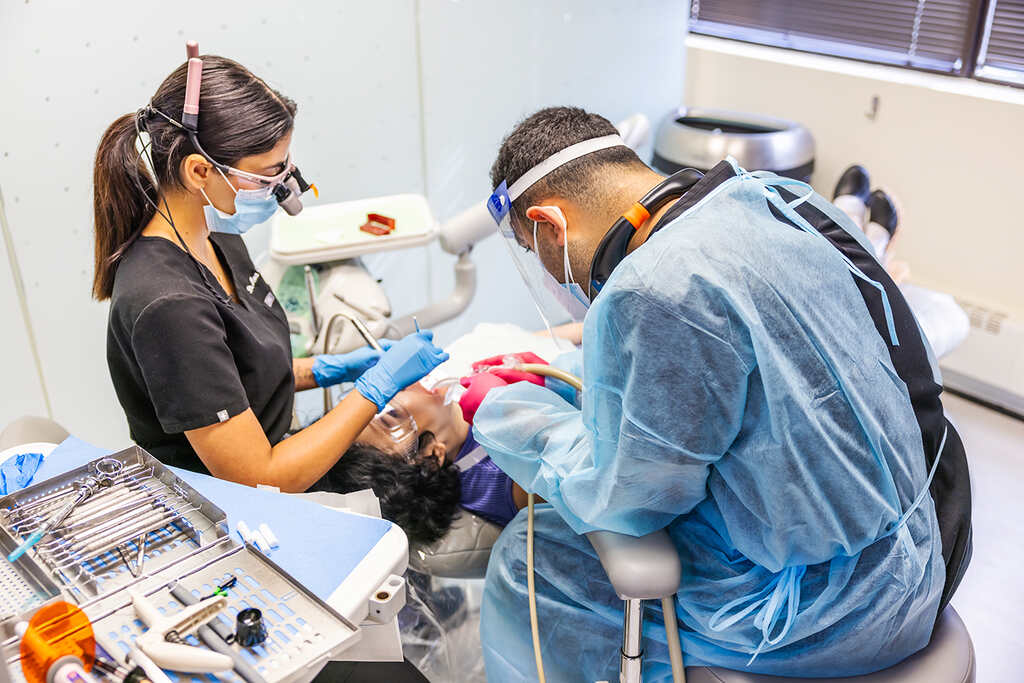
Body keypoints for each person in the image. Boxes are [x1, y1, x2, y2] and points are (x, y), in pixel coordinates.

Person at [470, 107, 972, 680]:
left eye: (540, 255)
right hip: (931, 537)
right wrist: (574, 372)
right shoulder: (773, 199)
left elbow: (626, 500)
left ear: (550, 225)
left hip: (836, 612)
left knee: (529, 557)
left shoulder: (655, 288)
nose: (557, 276)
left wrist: (515, 415)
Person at [93, 53, 448, 492]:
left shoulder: (214, 236)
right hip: (229, 511)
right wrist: (373, 389)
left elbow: (235, 374)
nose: (285, 188)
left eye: (286, 168)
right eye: (268, 175)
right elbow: (261, 478)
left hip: (275, 458)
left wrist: (326, 370)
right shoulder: (169, 305)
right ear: (200, 171)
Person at [323, 353, 560, 546]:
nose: (397, 390)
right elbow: (586, 475)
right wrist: (526, 413)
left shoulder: (460, 388)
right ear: (432, 456)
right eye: (391, 415)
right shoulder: (504, 483)